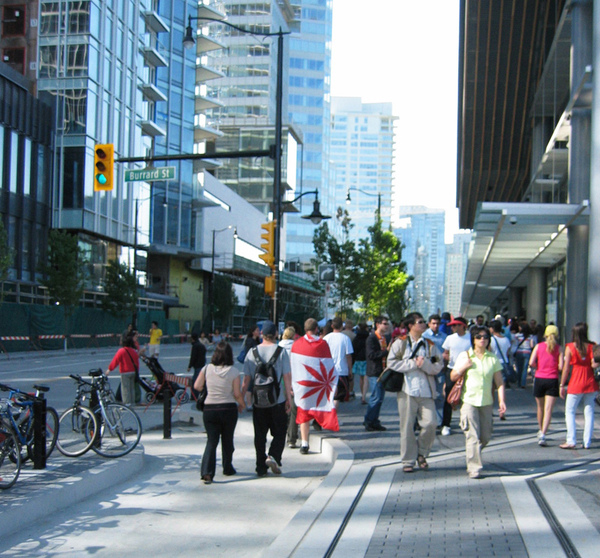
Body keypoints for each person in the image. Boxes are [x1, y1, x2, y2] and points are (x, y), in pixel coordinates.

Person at [388, 312, 443, 473]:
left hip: (427, 391)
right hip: (407, 390)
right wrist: (412, 364)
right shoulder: (401, 343)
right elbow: (391, 362)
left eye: (424, 321)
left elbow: (439, 365)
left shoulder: (430, 344)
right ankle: (408, 460)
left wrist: (425, 364)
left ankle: (422, 453)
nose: (423, 324)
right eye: (420, 322)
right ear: (411, 325)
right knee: (406, 427)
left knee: (431, 423)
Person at [450, 325, 506, 479]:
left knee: (485, 436)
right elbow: (453, 376)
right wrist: (463, 367)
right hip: (469, 400)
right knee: (472, 436)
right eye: (479, 337)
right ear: (473, 339)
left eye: (485, 337)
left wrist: (502, 401)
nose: (482, 340)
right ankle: (474, 467)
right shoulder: (466, 356)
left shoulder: (492, 358)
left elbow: (499, 382)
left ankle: (472, 453)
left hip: (486, 401)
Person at [242, 320, 292, 476]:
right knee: (280, 431)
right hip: (277, 400)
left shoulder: (252, 352)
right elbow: (287, 377)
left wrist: (240, 399)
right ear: (276, 334)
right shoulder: (281, 352)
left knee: (260, 435)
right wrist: (288, 399)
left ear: (262, 334)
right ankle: (273, 456)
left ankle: (260, 467)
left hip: (259, 401)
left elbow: (246, 380)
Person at [194, 341, 245, 484]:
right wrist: (242, 404)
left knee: (211, 440)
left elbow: (197, 386)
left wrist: (209, 387)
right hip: (228, 408)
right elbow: (236, 393)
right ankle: (227, 467)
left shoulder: (207, 368)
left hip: (210, 409)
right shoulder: (234, 371)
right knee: (227, 439)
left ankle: (207, 472)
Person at [290, 318, 337, 454]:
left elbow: (294, 365)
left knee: (303, 411)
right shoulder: (322, 344)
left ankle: (304, 443)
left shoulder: (297, 344)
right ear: (317, 329)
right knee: (318, 406)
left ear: (305, 329)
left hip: (303, 384)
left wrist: (293, 385)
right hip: (318, 383)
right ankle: (318, 424)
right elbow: (329, 364)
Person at [559, 322, 599, 450]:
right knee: (589, 412)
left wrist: (561, 384)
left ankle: (571, 440)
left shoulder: (570, 347)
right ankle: (586, 442)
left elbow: (566, 369)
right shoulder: (592, 346)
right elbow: (594, 365)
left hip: (576, 382)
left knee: (570, 411)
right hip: (590, 382)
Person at [528, 325, 563, 446]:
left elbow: (531, 362)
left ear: (545, 334)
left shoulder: (538, 346)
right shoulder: (559, 348)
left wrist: (539, 366)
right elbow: (561, 366)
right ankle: (543, 434)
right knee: (548, 409)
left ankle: (540, 429)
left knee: (540, 407)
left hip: (539, 378)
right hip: (552, 379)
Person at [441, 317, 471, 435]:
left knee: (466, 396)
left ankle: (466, 422)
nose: (453, 328)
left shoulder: (470, 337)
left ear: (463, 326)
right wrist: (447, 358)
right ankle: (446, 424)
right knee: (449, 397)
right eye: (452, 326)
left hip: (468, 370)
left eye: (455, 325)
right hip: (452, 369)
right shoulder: (450, 338)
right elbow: (446, 353)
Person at [363, 316, 391, 431]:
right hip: (375, 372)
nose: (386, 326)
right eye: (384, 324)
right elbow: (371, 355)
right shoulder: (372, 338)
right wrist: (386, 352)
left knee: (379, 398)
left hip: (383, 371)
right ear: (378, 324)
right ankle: (369, 420)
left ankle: (375, 420)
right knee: (376, 397)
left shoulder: (385, 338)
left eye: (387, 324)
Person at [422, 314, 447, 427]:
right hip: (427, 369)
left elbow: (446, 352)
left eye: (438, 324)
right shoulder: (424, 336)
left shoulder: (444, 337)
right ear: (429, 324)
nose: (436, 326)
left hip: (440, 369)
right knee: (427, 394)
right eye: (433, 323)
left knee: (439, 395)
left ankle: (438, 420)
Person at [324, 316, 354, 409]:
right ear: (342, 326)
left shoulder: (326, 338)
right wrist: (350, 370)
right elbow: (348, 355)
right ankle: (333, 417)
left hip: (328, 370)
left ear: (332, 326)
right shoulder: (345, 338)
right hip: (341, 370)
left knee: (329, 394)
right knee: (337, 396)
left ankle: (328, 417)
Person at [106, 330, 140, 406]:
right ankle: (132, 402)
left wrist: (109, 369)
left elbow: (115, 361)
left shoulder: (121, 351)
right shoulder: (133, 351)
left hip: (125, 372)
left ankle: (127, 403)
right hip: (133, 371)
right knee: (131, 388)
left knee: (125, 389)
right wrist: (137, 371)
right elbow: (136, 362)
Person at [279, 327, 298, 448]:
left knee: (282, 405)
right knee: (293, 408)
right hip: (293, 377)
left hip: (280, 377)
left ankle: (282, 430)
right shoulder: (295, 345)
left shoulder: (278, 345)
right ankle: (292, 437)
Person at [241, 325, 261, 410]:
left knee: (253, 384)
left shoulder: (256, 340)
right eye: (257, 330)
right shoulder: (250, 341)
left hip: (256, 364)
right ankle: (248, 403)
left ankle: (251, 402)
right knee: (249, 384)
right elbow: (249, 353)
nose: (259, 332)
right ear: (253, 332)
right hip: (251, 363)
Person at [489, 319, 513, 392]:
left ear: (492, 329)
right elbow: (507, 352)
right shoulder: (506, 339)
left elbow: (489, 352)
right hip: (504, 362)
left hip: (494, 363)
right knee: (502, 383)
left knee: (493, 384)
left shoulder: (491, 340)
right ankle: (502, 398)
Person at [352, 323, 370, 404]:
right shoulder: (368, 337)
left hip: (358, 359)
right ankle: (364, 396)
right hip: (366, 359)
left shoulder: (356, 338)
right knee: (366, 378)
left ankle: (362, 393)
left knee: (361, 378)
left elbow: (354, 350)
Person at [188, 332, 207, 398]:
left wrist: (189, 366)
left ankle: (194, 395)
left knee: (195, 380)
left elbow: (193, 357)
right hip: (202, 364)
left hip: (197, 366)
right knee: (200, 380)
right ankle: (198, 394)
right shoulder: (202, 345)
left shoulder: (195, 346)